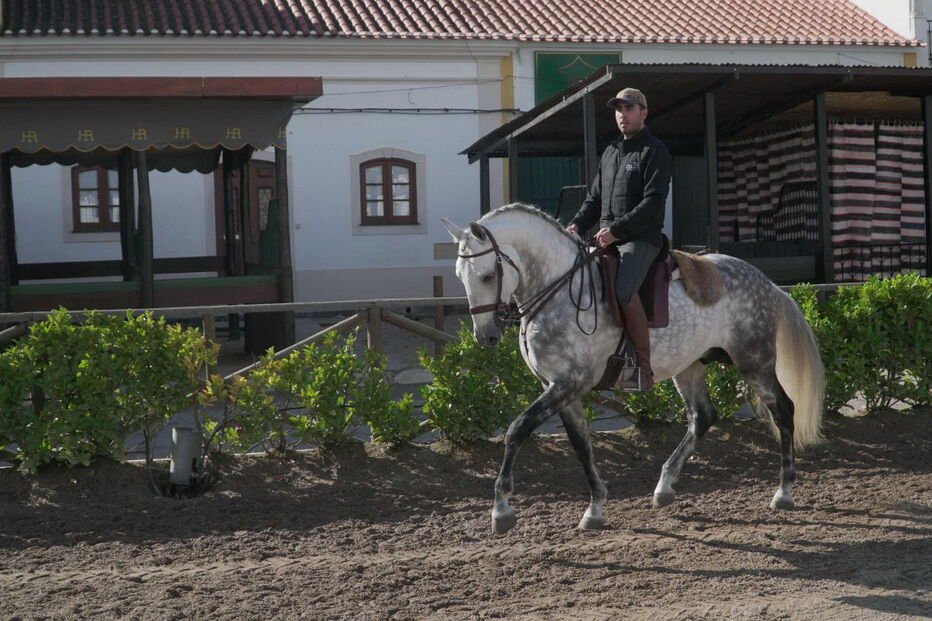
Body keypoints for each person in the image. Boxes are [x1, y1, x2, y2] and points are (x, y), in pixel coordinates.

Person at [566, 87, 672, 391]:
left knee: (624, 290)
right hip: (606, 238)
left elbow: (652, 203)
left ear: (643, 113)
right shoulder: (610, 153)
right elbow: (594, 199)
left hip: (640, 239)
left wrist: (616, 231)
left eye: (629, 108)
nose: (622, 114)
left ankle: (642, 368)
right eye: (618, 109)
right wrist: (576, 225)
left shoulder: (655, 151)